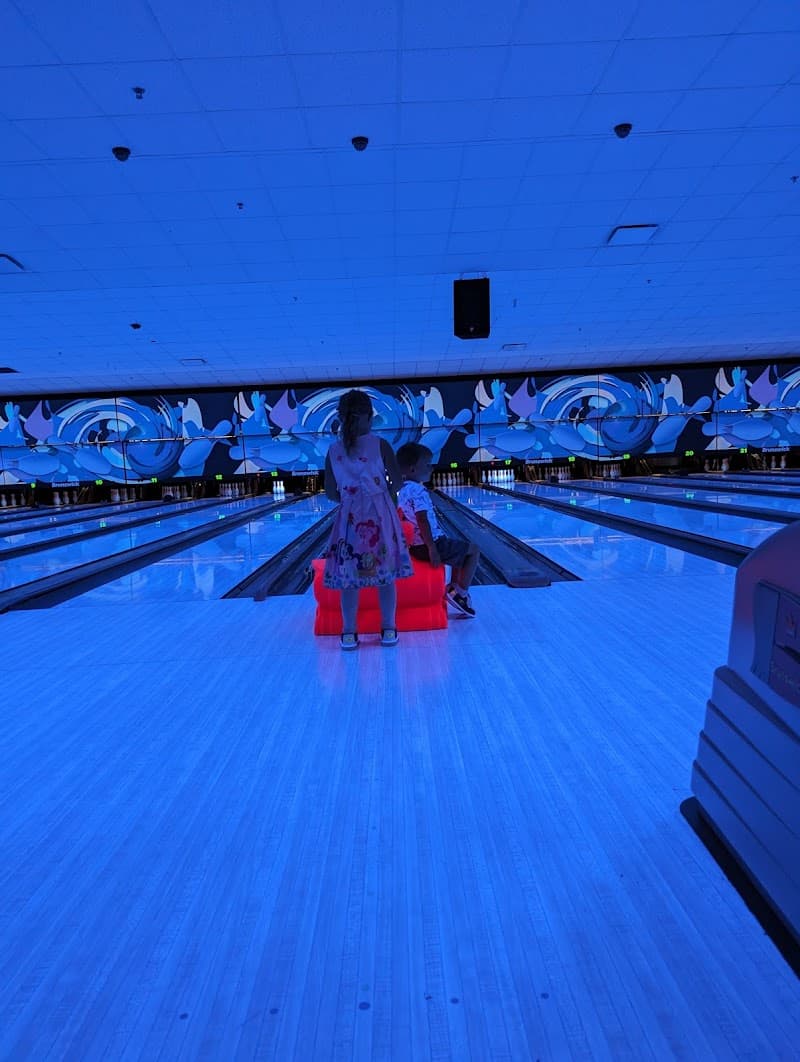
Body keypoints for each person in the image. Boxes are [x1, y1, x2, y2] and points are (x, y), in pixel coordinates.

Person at [323, 390, 413, 650]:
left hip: (349, 521)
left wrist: (350, 491)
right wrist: (382, 492)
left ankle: (349, 633)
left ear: (341, 417)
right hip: (380, 516)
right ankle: (388, 629)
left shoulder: (333, 450)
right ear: (369, 416)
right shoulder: (380, 445)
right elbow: (396, 482)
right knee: (385, 576)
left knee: (349, 579)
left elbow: (330, 492)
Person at [396, 442, 479, 617]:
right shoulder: (419, 491)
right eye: (427, 465)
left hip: (414, 546)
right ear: (412, 469)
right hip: (430, 544)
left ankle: (453, 590)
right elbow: (422, 519)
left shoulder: (401, 491)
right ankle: (461, 593)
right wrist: (432, 548)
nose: (431, 468)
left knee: (460, 550)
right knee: (473, 551)